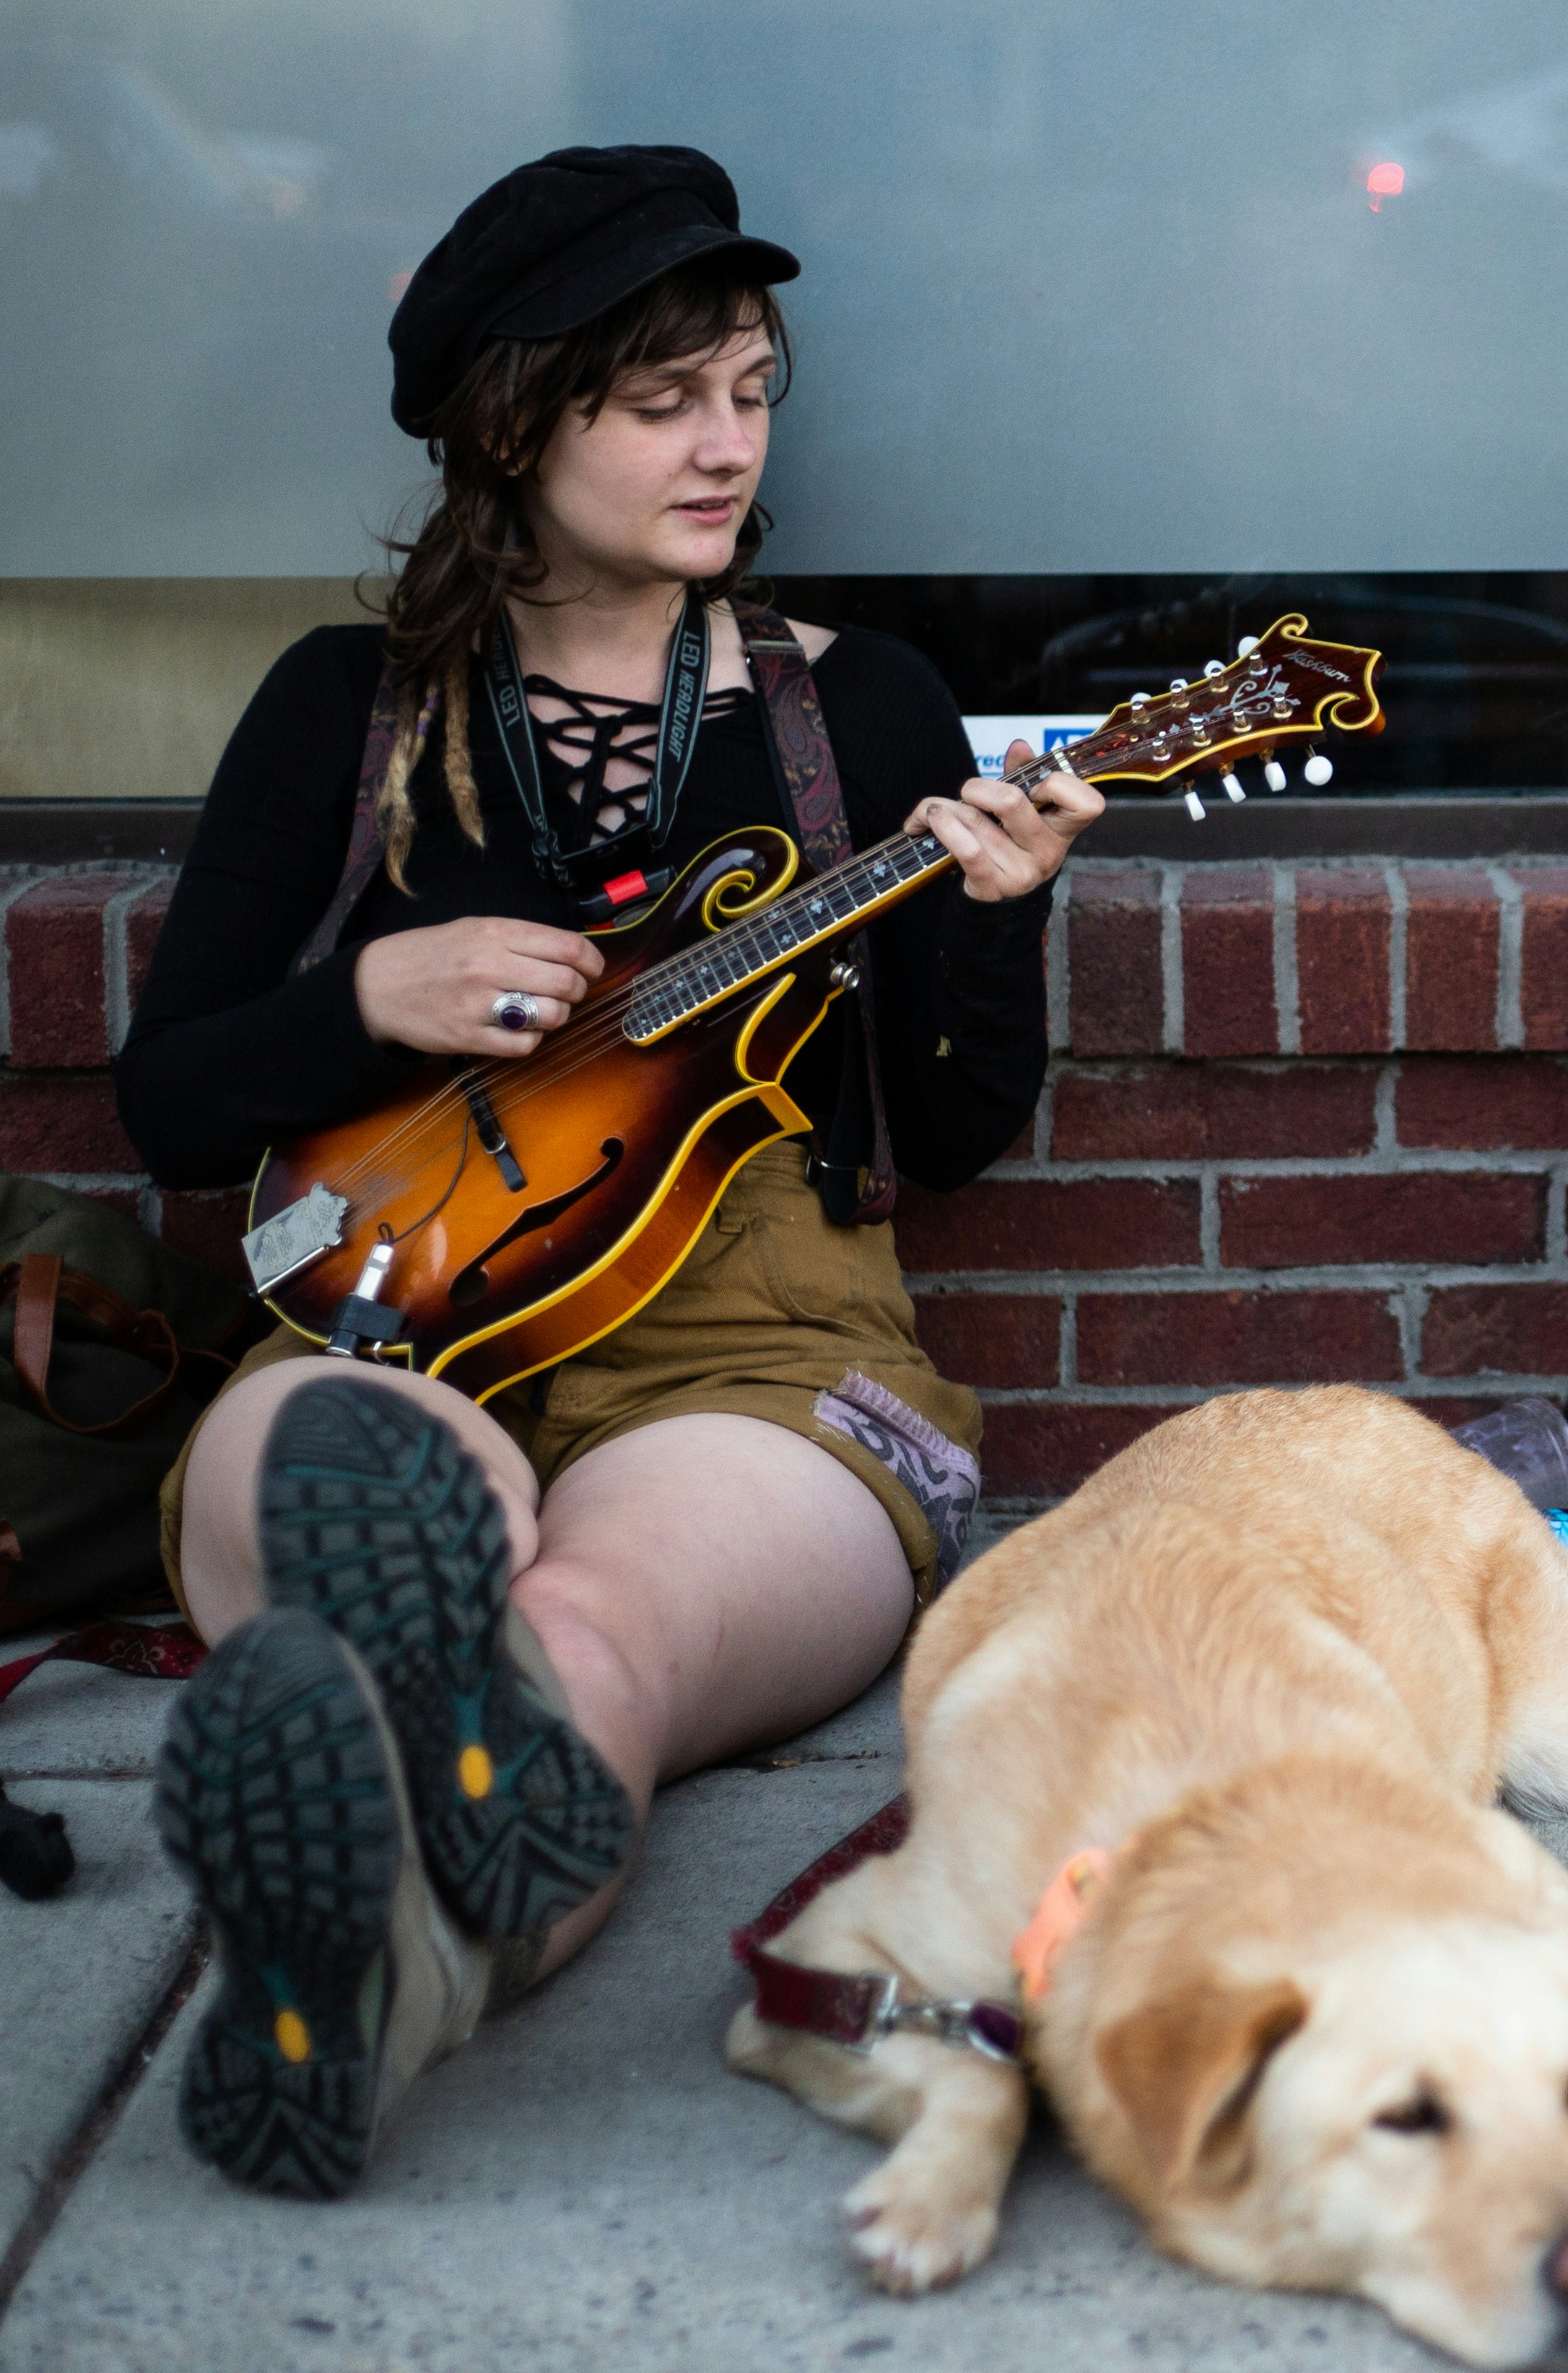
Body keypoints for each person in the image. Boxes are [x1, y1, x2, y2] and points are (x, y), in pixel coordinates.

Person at [115, 146, 1100, 2196]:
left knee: (599, 1637)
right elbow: (176, 1107)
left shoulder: (862, 715)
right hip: (398, 1313)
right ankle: (389, 1914)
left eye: (751, 388)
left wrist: (992, 913)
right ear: (514, 416)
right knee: (378, 1511)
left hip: (756, 1352)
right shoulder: (349, 712)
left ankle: (345, 2002)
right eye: (664, 401)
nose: (728, 442)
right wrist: (367, 992)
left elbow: (959, 1134)